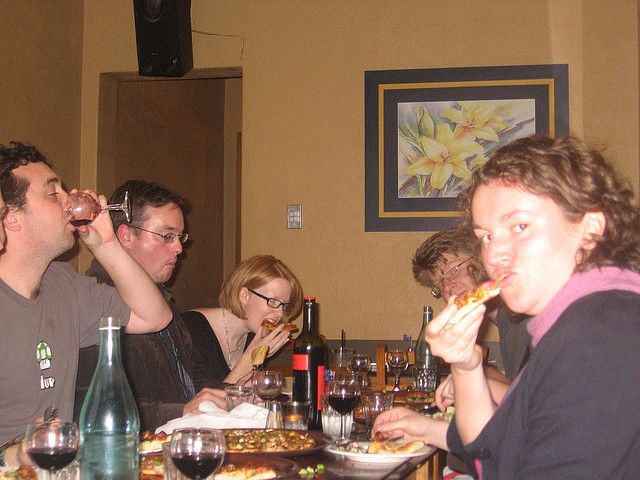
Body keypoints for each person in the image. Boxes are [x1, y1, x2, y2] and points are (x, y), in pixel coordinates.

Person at [375, 135, 640, 479]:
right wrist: (465, 365)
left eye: (519, 226)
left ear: (589, 229)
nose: (495, 255)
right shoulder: (571, 324)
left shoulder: (599, 335)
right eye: (486, 236)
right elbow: (494, 456)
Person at [0, 143, 172, 466]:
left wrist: (106, 245)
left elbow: (155, 317)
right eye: (53, 193)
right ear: (10, 217)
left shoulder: (64, 284)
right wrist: (13, 457)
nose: (70, 200)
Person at [74, 180, 229, 432]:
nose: (178, 248)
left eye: (179, 237)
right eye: (167, 236)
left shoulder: (162, 298)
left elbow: (196, 380)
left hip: (187, 437)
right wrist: (181, 412)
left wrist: (238, 393)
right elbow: (88, 407)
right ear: (126, 236)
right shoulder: (95, 302)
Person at [412, 226, 531, 404]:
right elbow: (520, 383)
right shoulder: (506, 320)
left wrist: (473, 378)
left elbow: (536, 404)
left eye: (454, 270)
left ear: (482, 258)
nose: (447, 287)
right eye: (439, 285)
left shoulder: (523, 316)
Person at [183, 255, 302, 384]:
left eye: (285, 305)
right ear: (244, 296)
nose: (280, 313)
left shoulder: (254, 335)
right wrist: (250, 359)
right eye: (272, 301)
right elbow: (199, 397)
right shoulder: (189, 329)